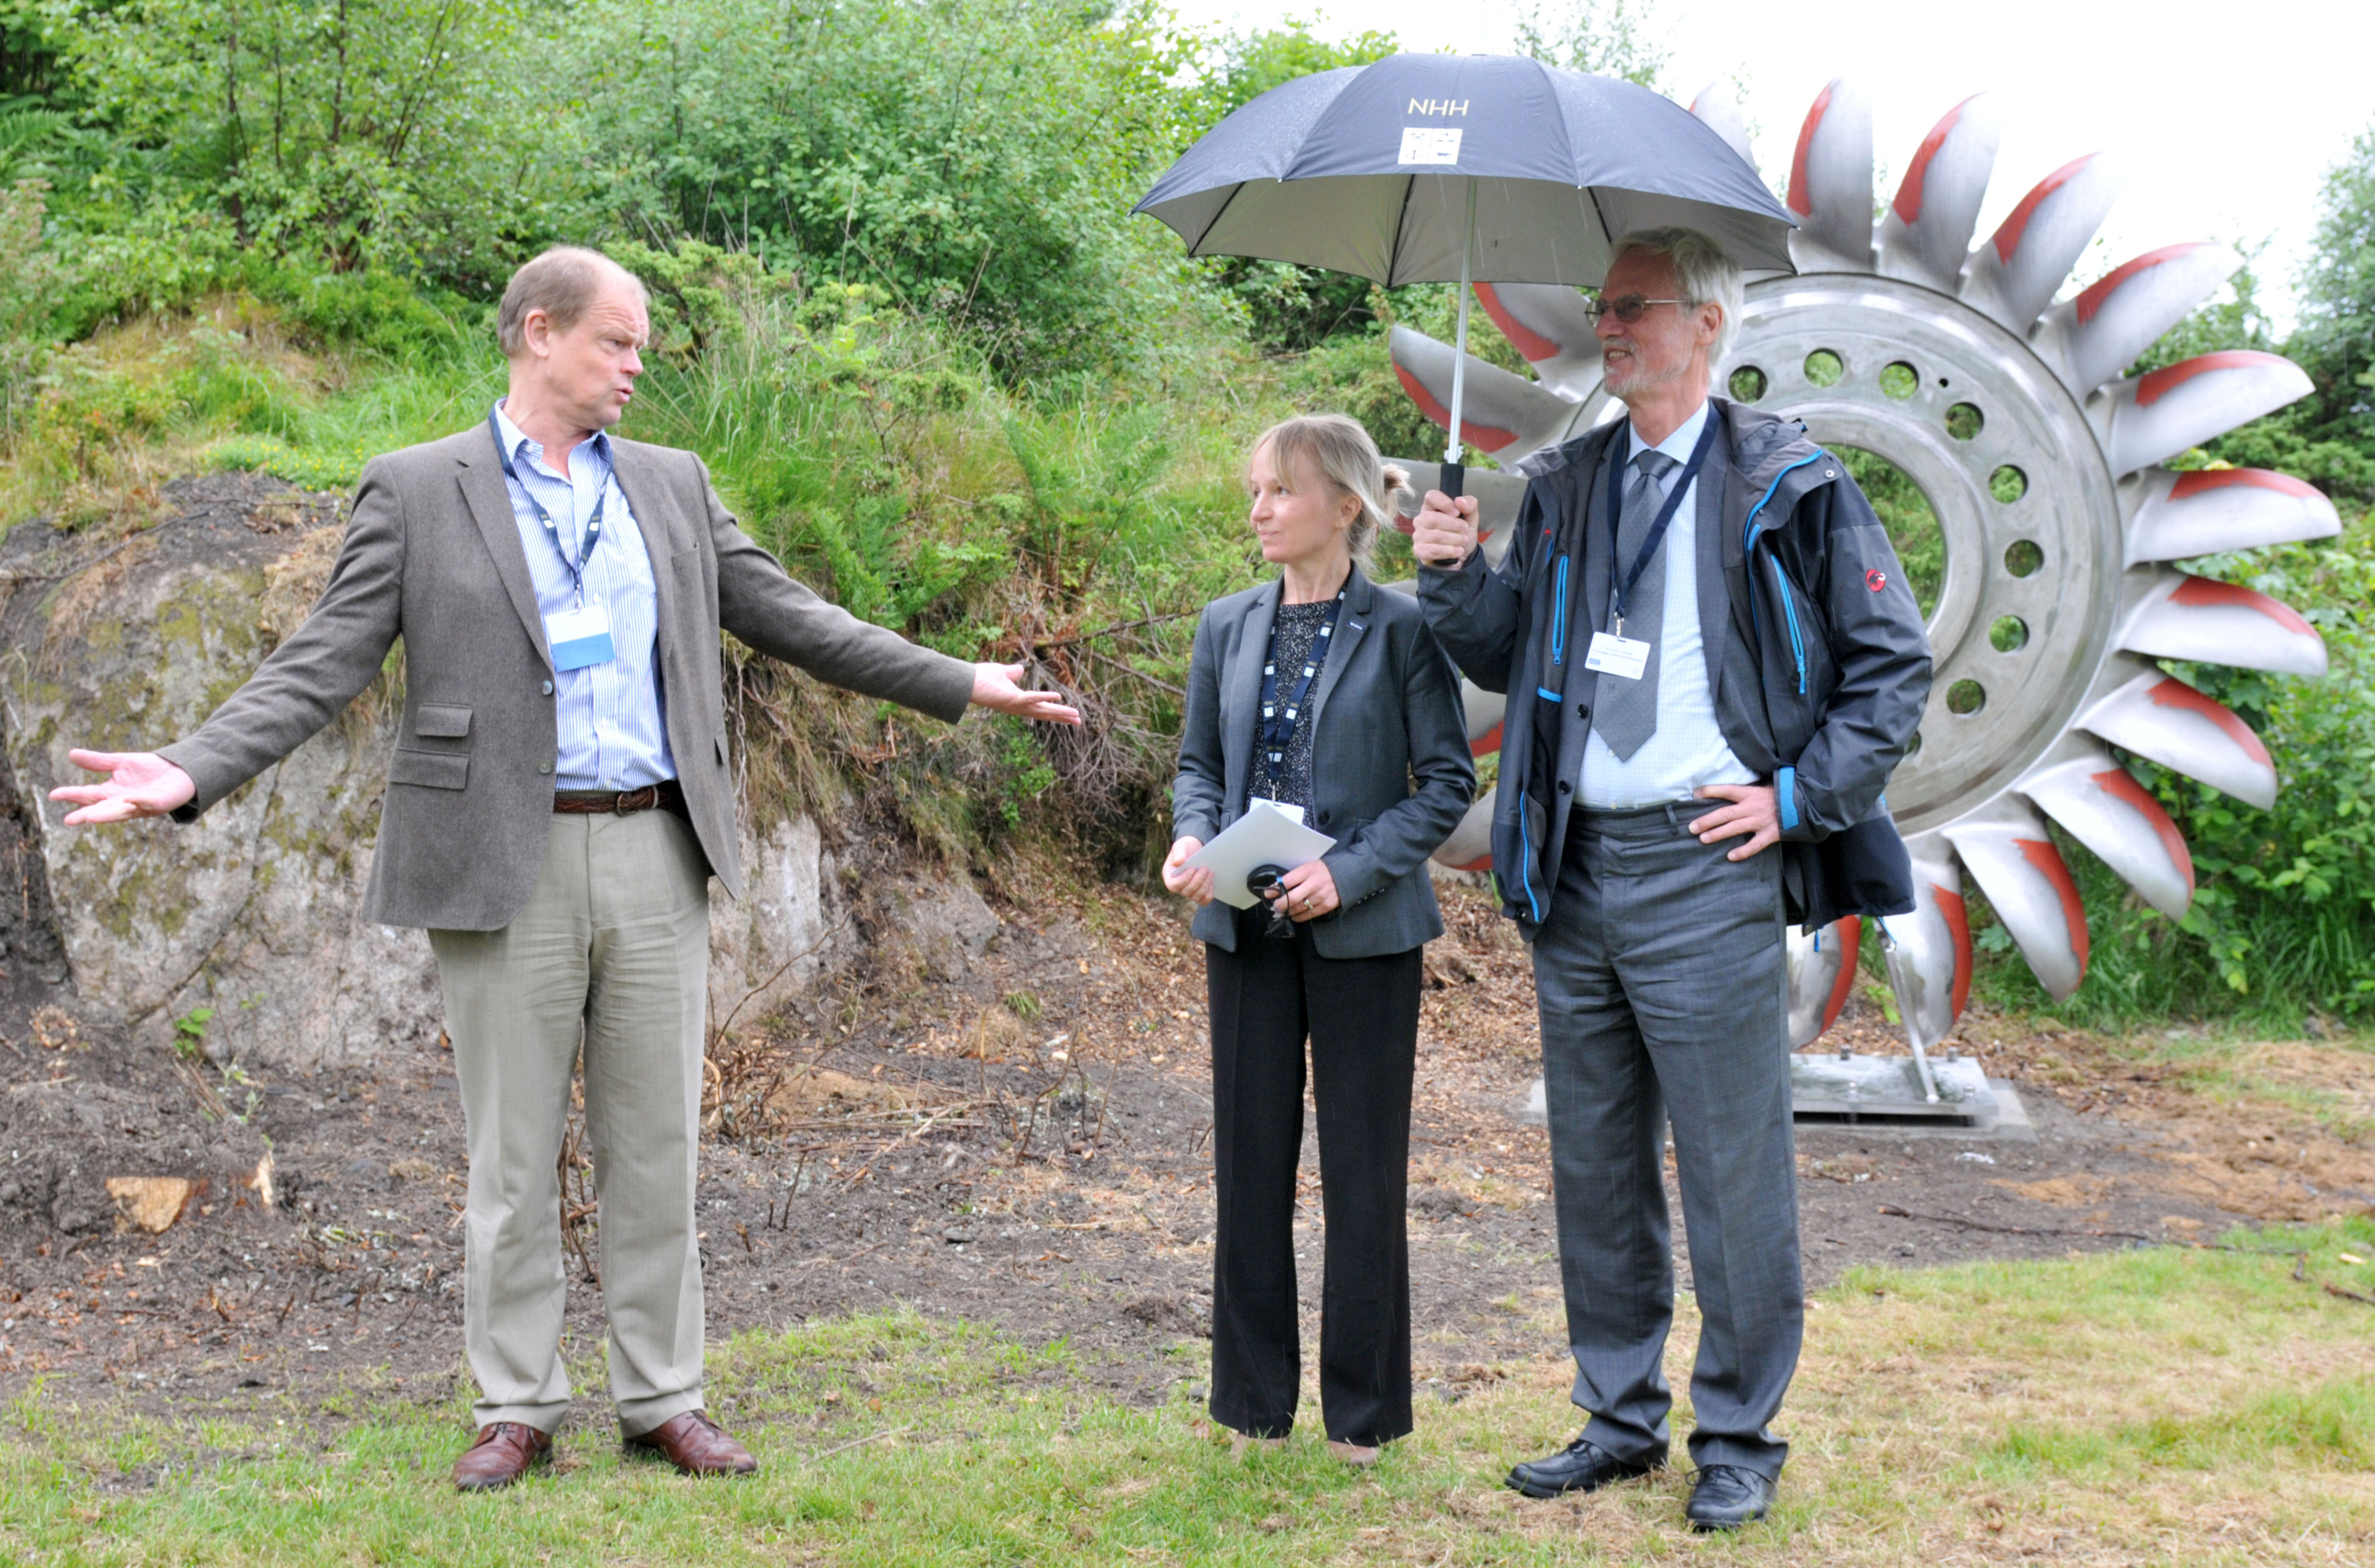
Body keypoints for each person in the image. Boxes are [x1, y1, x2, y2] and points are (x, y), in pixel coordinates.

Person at [49, 246, 1080, 1492]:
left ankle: (663, 1399)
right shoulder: (418, 489)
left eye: (641, 346)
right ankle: (517, 1403)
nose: (638, 366)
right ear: (539, 333)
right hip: (500, 854)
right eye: (618, 342)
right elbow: (321, 661)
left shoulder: (673, 485)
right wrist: (189, 767)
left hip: (654, 844)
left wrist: (957, 681)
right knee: (511, 1154)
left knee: (657, 1148)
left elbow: (796, 618)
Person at [1409, 229, 1930, 1531]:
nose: (1612, 324)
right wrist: (1452, 570)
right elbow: (1502, 641)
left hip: (1707, 862)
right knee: (1593, 1160)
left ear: (1706, 325)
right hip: (1575, 861)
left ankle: (1740, 1431)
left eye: (1632, 306)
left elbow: (1890, 670)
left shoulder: (1790, 480)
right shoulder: (1572, 476)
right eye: (1603, 307)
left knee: (1727, 1163)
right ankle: (1617, 1417)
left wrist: (1798, 799)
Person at [1163, 414, 1474, 1465]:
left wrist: (1343, 873)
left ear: (1345, 506)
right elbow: (1199, 763)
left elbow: (1446, 784)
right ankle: (1251, 1408)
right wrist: (1193, 836)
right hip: (1242, 926)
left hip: (1365, 931)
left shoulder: (1403, 629)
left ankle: (1365, 1417)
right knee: (1250, 1166)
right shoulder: (1225, 624)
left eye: (1279, 492)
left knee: (1363, 1173)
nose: (1257, 510)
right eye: (1254, 490)